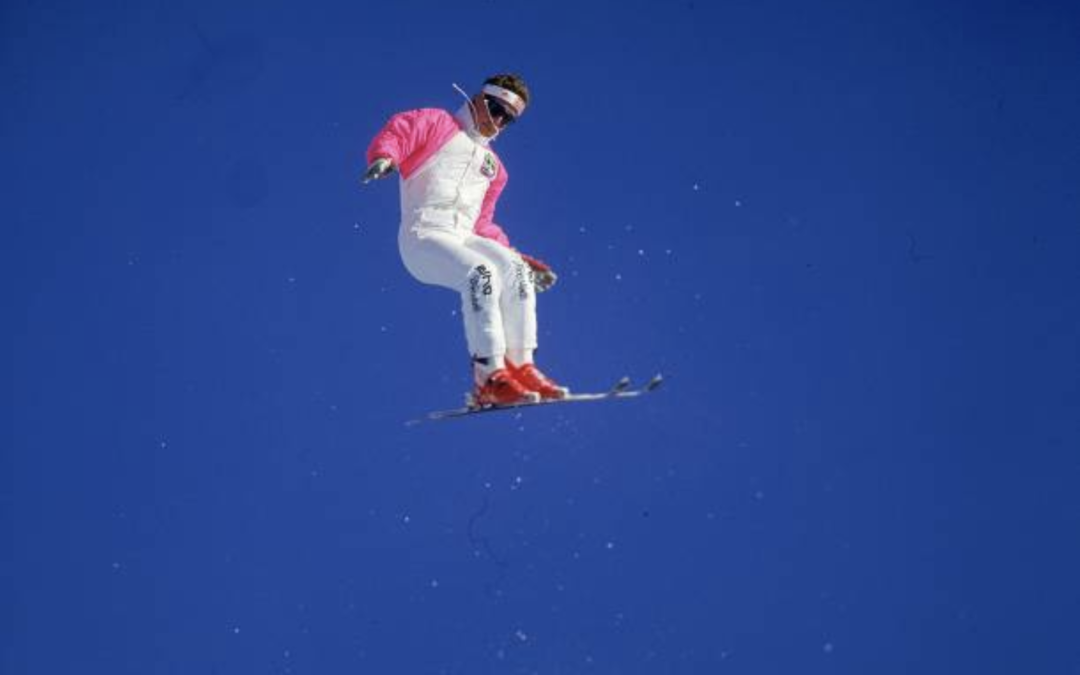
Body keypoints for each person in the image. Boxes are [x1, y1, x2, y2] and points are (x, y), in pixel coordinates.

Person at [361, 73, 568, 407]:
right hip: (423, 235)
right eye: (497, 109)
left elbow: (483, 223)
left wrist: (517, 256)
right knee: (481, 272)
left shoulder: (494, 168)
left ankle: (521, 366)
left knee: (512, 269)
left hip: (464, 237)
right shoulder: (438, 124)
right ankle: (488, 376)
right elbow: (401, 131)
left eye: (509, 119)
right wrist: (385, 157)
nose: (499, 121)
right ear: (480, 98)